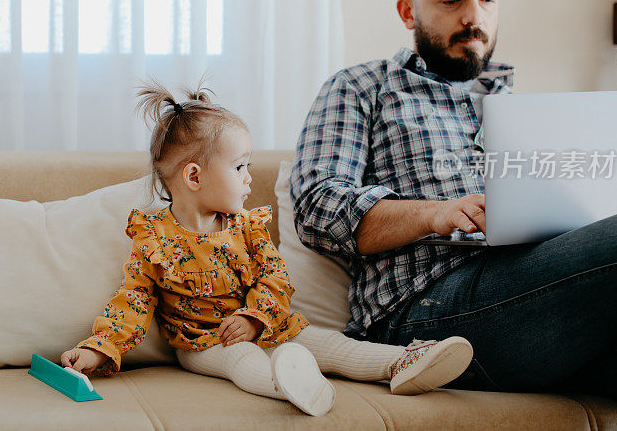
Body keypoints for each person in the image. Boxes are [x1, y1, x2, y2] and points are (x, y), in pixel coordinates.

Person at [290, 0, 617, 405]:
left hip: (540, 297)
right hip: (423, 309)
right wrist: (433, 214)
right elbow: (317, 208)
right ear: (408, 12)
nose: (474, 17)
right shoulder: (362, 87)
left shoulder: (523, 110)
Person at [61, 79, 474, 416]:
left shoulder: (248, 228)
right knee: (243, 361)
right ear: (193, 176)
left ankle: (403, 362)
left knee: (328, 343)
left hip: (267, 325)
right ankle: (296, 385)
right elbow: (132, 300)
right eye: (239, 166)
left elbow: (275, 278)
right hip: (206, 344)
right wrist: (101, 348)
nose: (247, 178)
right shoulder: (154, 239)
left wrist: (257, 317)